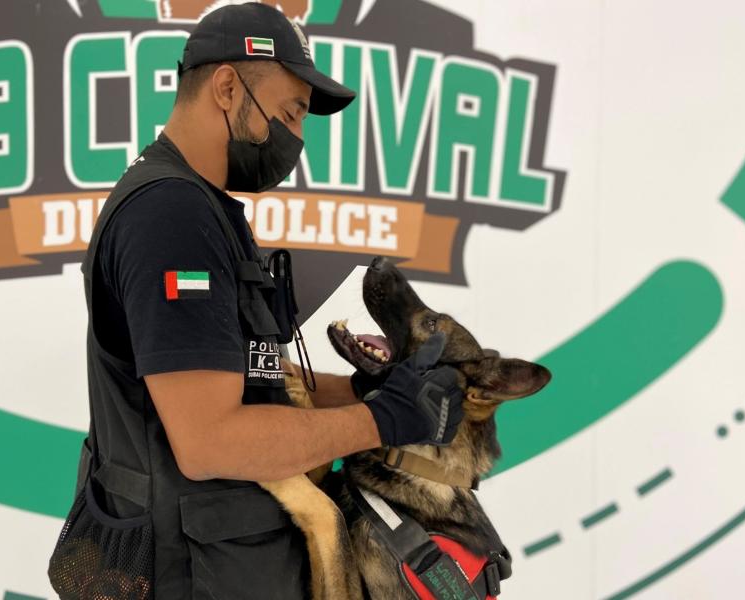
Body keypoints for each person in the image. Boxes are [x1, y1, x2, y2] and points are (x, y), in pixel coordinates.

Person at [67, 3, 467, 599]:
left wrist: (366, 390)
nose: (297, 138)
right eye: (290, 112)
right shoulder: (170, 217)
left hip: (228, 565)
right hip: (193, 578)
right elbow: (210, 441)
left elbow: (253, 379)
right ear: (227, 87)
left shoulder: (202, 210)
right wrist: (379, 421)